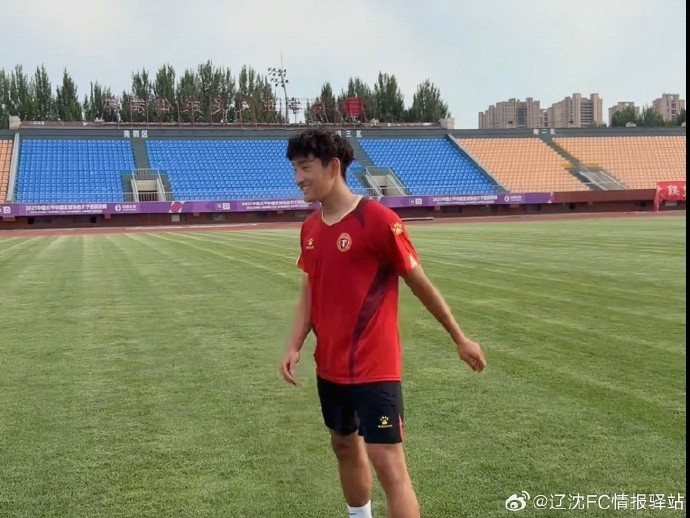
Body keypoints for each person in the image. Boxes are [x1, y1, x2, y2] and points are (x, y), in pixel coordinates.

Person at [279, 129, 486, 518]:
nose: (298, 178)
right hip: (330, 367)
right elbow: (310, 291)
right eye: (295, 169)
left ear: (333, 167)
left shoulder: (377, 220)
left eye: (305, 167)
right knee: (343, 445)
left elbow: (420, 282)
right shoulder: (310, 229)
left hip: (375, 367)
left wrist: (460, 337)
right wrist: (294, 344)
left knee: (388, 462)